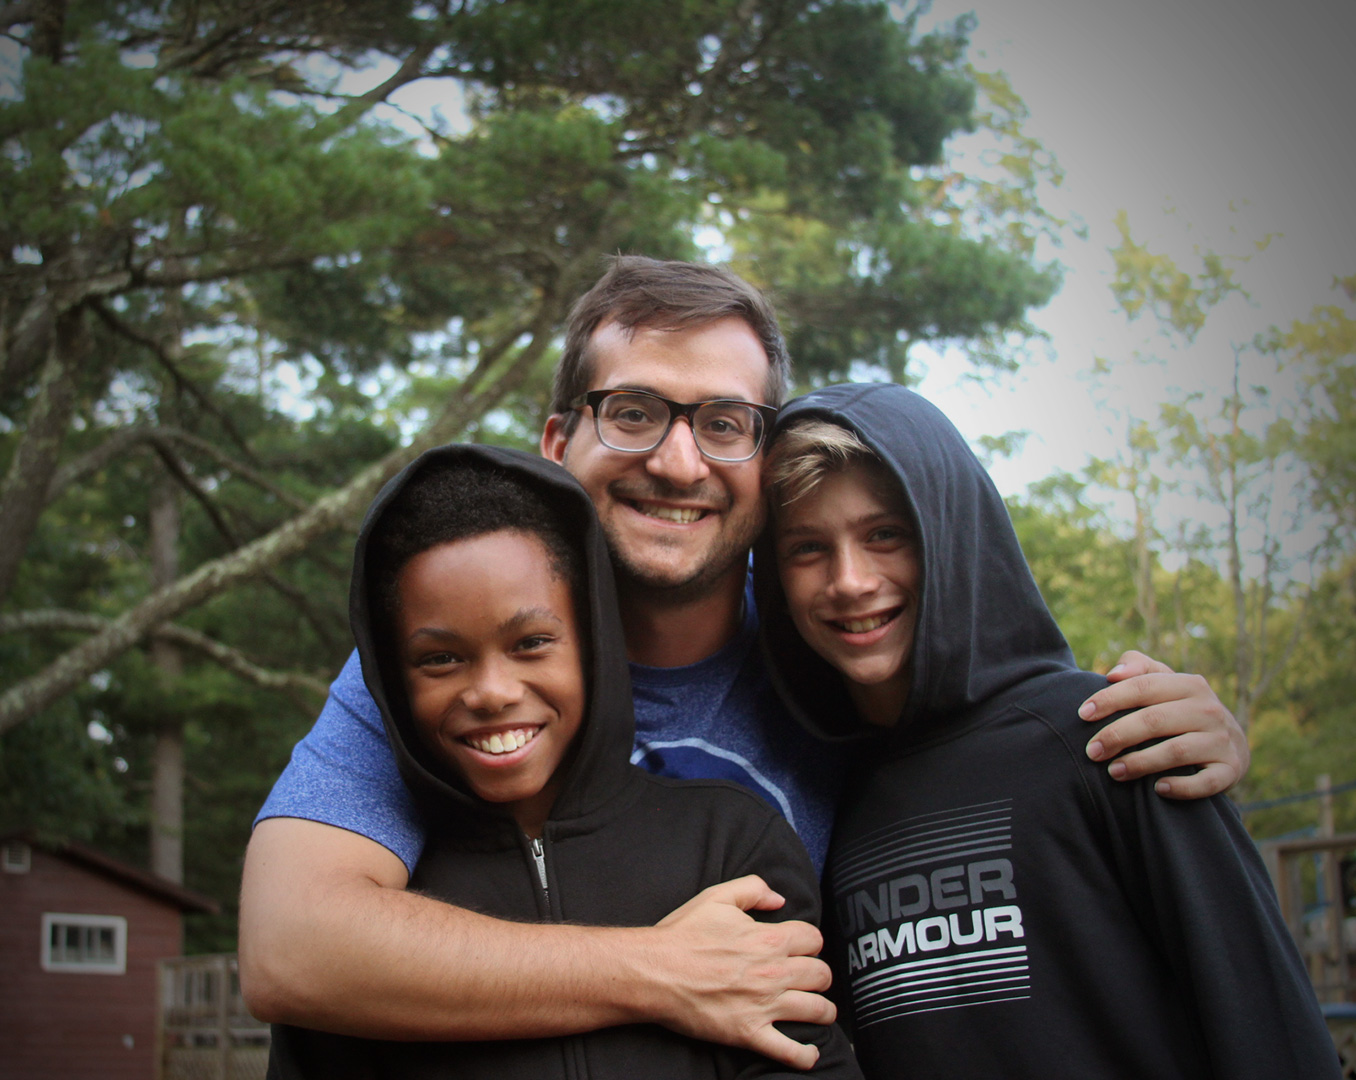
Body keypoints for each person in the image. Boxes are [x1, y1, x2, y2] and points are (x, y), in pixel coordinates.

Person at [238, 257, 1250, 1070]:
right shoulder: (466, 673)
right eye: (634, 411)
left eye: (724, 424)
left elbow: (1000, 732)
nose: (679, 462)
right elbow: (293, 947)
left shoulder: (836, 641)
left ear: (766, 462)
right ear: (556, 443)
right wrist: (659, 971)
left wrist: (1147, 728)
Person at [754, 382, 1337, 1079]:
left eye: (886, 534)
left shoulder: (1117, 737)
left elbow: (1267, 1024)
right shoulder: (826, 798)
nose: (850, 580)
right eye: (808, 548)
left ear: (950, 531)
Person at [270, 443, 863, 1077]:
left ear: (593, 642)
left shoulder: (733, 845)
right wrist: (661, 969)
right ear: (392, 677)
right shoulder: (371, 924)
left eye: (531, 643)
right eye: (441, 658)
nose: (492, 691)